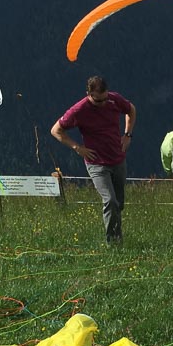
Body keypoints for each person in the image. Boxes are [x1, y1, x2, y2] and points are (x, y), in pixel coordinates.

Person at [51, 76, 136, 244]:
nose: (103, 103)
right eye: (98, 101)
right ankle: (114, 244)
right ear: (88, 94)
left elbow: (131, 109)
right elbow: (56, 130)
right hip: (97, 163)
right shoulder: (79, 110)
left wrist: (127, 135)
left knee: (118, 204)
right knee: (110, 200)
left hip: (118, 159)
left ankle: (117, 239)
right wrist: (77, 148)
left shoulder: (114, 99)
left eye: (105, 99)